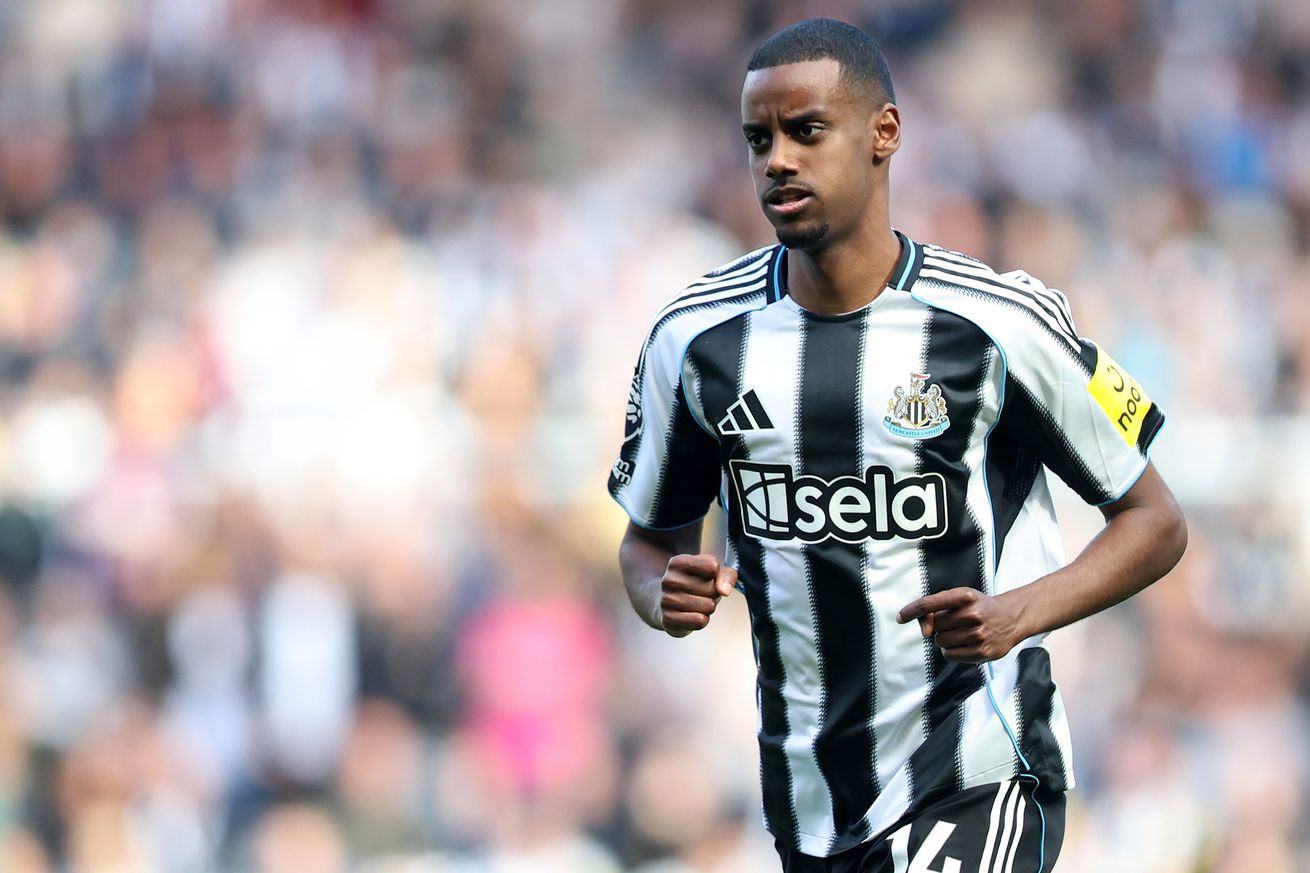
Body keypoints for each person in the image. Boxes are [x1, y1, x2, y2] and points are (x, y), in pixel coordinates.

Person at [608, 17, 1186, 873]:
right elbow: (646, 544)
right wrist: (662, 592)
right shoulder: (694, 340)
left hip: (978, 773)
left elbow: (1155, 521)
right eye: (759, 139)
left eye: (807, 131)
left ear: (884, 134)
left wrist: (1018, 612)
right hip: (809, 803)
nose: (778, 161)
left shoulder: (998, 323)